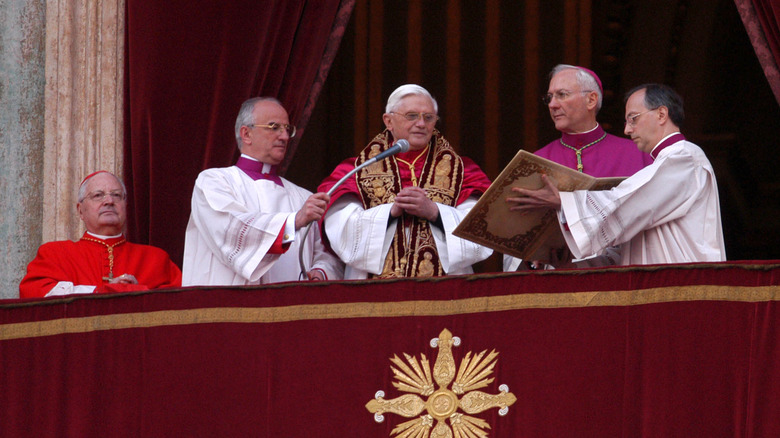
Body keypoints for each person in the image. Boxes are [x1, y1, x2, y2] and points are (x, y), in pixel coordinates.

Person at [506, 83, 726, 265]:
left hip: (682, 287)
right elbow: (628, 253)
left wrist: (563, 202)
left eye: (633, 119)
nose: (627, 130)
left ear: (661, 114)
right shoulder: (666, 163)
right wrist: (570, 264)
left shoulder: (685, 158)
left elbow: (626, 203)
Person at [318, 84, 493, 279]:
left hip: (443, 291)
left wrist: (435, 212)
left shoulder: (462, 171)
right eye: (411, 116)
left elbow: (483, 226)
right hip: (373, 292)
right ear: (389, 121)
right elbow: (340, 228)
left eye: (428, 117)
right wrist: (390, 213)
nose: (421, 124)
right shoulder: (356, 170)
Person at [505, 64, 653, 271]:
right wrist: (532, 255)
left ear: (591, 100)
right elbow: (513, 231)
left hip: (621, 276)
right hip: (556, 281)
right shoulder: (535, 162)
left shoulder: (638, 155)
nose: (552, 105)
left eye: (562, 95)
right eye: (549, 97)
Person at [182, 97, 343, 285]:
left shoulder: (303, 196)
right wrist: (294, 221)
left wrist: (320, 272)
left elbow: (325, 252)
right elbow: (232, 231)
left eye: (287, 129)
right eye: (274, 127)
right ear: (246, 134)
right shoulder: (214, 182)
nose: (284, 137)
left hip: (295, 308)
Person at [19, 171, 182, 298]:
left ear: (126, 206)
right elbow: (34, 292)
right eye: (98, 195)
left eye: (117, 195)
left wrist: (140, 292)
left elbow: (180, 302)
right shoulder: (55, 254)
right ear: (80, 210)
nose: (109, 201)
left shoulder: (156, 259)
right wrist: (99, 291)